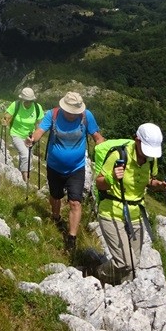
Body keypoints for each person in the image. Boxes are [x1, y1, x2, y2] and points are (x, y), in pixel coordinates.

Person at [93, 123, 166, 284]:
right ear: (137, 140)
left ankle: (118, 294)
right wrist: (112, 178)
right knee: (125, 262)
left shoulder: (151, 160)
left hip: (136, 214)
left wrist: (160, 186)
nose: (148, 155)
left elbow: (148, 181)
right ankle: (97, 274)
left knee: (132, 267)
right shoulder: (118, 155)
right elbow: (99, 183)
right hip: (111, 212)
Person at [26, 91, 104, 250]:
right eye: (69, 111)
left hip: (77, 167)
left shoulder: (85, 116)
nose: (71, 114)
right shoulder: (53, 114)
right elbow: (40, 130)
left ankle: (71, 238)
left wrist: (104, 149)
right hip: (54, 166)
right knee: (55, 196)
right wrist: (32, 139)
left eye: (74, 111)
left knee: (75, 201)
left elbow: (97, 136)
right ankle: (56, 217)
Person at [2, 87, 44, 182]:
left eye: (30, 101)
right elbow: (7, 116)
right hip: (16, 134)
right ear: (22, 99)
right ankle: (26, 180)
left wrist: (38, 134)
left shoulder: (37, 108)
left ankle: (20, 177)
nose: (28, 103)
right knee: (26, 155)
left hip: (30, 137)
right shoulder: (15, 105)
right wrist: (5, 121)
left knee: (26, 156)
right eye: (26, 101)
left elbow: (41, 123)